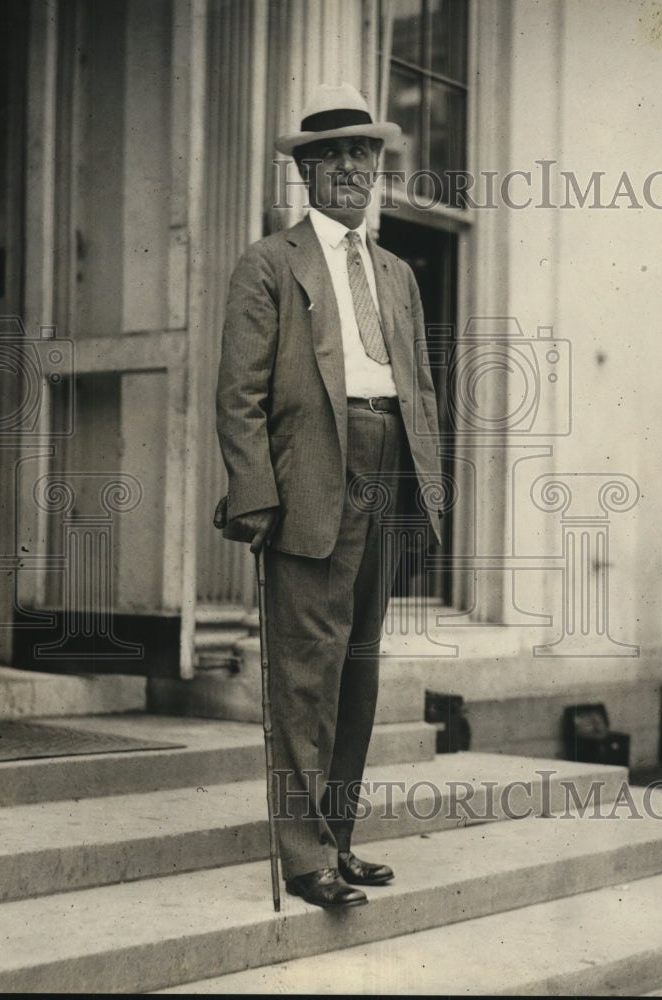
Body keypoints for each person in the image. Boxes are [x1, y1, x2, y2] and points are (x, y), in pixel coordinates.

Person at [215, 82, 442, 909]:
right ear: (306, 170)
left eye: (363, 152)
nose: (352, 166)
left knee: (358, 668)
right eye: (333, 153)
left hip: (388, 465)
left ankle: (337, 839)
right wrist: (255, 497)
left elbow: (418, 387)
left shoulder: (397, 273)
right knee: (304, 671)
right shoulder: (270, 263)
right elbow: (237, 395)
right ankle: (303, 856)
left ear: (376, 168)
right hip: (313, 470)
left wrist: (426, 492)